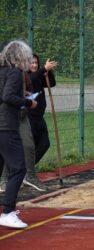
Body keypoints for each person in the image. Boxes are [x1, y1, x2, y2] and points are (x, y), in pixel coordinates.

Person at [0, 40, 37, 228]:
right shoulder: (14, 73)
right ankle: (7, 212)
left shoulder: (2, 72)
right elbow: (8, 96)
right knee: (18, 168)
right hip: (6, 126)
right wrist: (28, 102)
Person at [27, 54, 57, 165]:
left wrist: (49, 72)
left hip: (39, 117)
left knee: (44, 144)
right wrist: (43, 69)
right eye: (32, 63)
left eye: (36, 63)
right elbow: (31, 79)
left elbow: (52, 83)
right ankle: (24, 171)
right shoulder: (25, 76)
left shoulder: (39, 75)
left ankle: (28, 170)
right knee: (29, 147)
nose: (34, 65)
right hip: (28, 117)